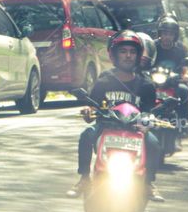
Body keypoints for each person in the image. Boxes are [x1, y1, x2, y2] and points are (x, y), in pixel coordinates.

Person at [68, 31, 164, 201]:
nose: (128, 56)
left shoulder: (146, 83)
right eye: (123, 51)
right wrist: (88, 112)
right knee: (86, 135)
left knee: (154, 144)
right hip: (106, 127)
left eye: (132, 52)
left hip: (135, 131)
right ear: (114, 55)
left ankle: (148, 183)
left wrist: (148, 123)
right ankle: (84, 179)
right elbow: (93, 105)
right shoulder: (105, 79)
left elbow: (150, 111)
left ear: (138, 56)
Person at [152, 16, 188, 126]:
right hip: (154, 81)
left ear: (175, 35)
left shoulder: (181, 49)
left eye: (170, 34)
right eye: (164, 33)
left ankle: (183, 123)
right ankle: (142, 118)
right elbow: (145, 62)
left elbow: (185, 68)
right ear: (160, 34)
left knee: (184, 90)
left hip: (174, 82)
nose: (167, 37)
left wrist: (186, 76)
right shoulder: (152, 46)